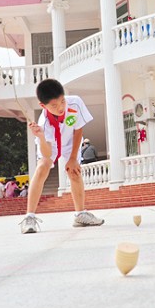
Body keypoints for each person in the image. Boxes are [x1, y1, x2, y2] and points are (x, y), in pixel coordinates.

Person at [20, 78, 105, 234]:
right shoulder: (44, 124)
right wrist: (40, 137)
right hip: (49, 143)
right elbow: (46, 153)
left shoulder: (75, 103)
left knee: (74, 172)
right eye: (54, 105)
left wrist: (73, 158)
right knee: (42, 168)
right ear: (43, 106)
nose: (60, 107)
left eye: (62, 101)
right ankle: (29, 218)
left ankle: (80, 215)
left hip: (69, 142)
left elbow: (78, 130)